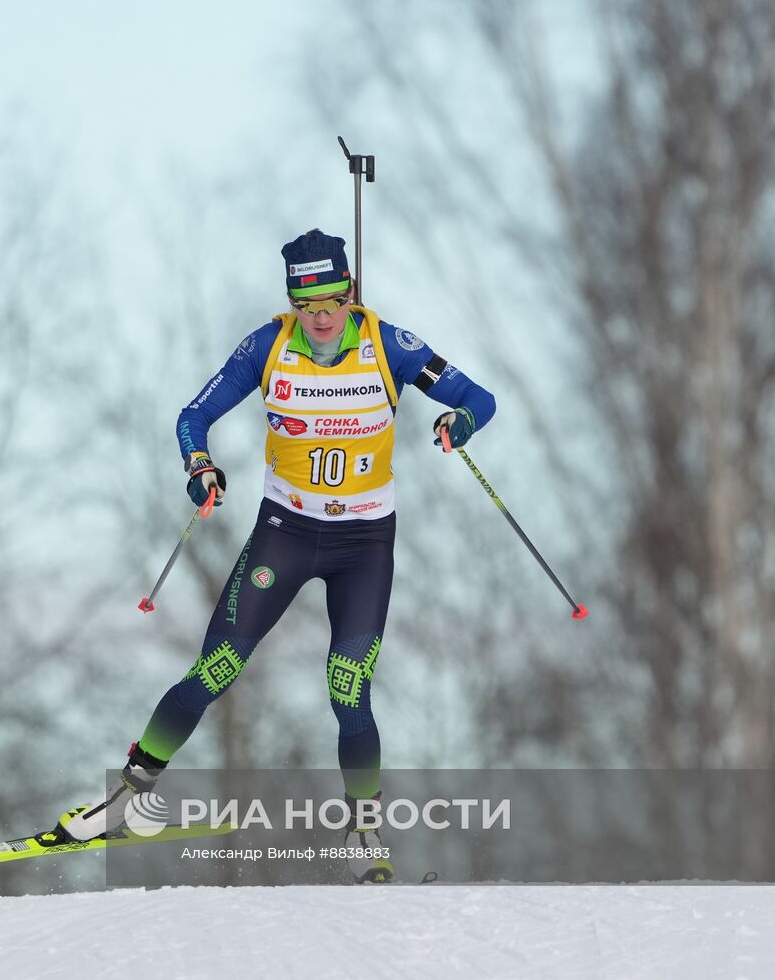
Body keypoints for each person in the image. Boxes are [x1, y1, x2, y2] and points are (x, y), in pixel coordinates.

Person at [57, 229, 496, 882]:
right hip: (284, 532)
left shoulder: (390, 345)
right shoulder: (267, 345)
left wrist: (455, 423)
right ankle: (129, 796)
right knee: (216, 668)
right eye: (305, 303)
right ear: (290, 301)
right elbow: (192, 416)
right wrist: (198, 465)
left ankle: (363, 832)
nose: (319, 317)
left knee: (348, 688)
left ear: (349, 292)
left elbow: (477, 399)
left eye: (330, 301)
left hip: (364, 542)